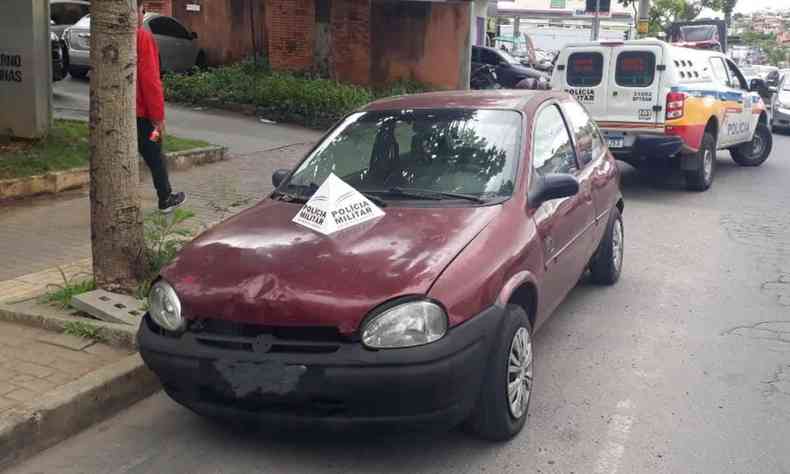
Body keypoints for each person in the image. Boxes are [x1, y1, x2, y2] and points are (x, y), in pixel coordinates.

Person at [137, 2, 185, 213]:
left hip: (121, 114)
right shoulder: (142, 38)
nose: (143, 15)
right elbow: (151, 81)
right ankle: (165, 198)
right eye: (142, 11)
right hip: (144, 117)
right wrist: (158, 118)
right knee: (156, 154)